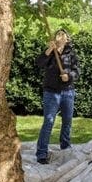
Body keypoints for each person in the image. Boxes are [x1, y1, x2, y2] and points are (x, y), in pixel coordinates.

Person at [35, 28, 80, 164]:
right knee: (48, 122)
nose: (60, 36)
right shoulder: (50, 52)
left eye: (63, 35)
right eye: (58, 34)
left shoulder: (71, 54)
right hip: (51, 92)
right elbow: (39, 63)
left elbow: (77, 71)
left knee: (67, 121)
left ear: (67, 39)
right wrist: (48, 50)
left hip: (68, 92)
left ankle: (65, 147)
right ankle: (41, 153)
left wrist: (69, 76)